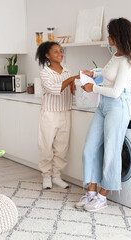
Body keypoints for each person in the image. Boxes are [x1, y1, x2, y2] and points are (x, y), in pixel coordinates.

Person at [76, 18, 131, 211]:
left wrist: (94, 87)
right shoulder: (116, 55)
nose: (108, 37)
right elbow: (109, 73)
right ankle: (91, 193)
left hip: (118, 106)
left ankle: (102, 196)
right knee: (89, 148)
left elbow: (116, 91)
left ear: (118, 37)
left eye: (110, 34)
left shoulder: (128, 62)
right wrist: (94, 73)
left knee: (111, 152)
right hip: (104, 105)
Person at [35, 41, 78, 189]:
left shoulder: (67, 72)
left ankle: (57, 176)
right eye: (56, 51)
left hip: (65, 112)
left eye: (61, 51)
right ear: (47, 55)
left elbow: (71, 90)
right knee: (46, 146)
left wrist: (76, 84)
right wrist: (72, 79)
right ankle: (46, 176)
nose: (60, 54)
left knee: (62, 148)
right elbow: (54, 89)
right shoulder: (45, 73)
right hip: (49, 114)